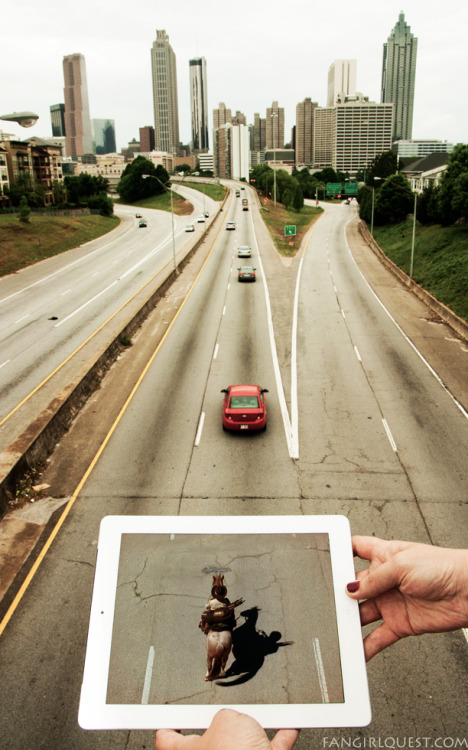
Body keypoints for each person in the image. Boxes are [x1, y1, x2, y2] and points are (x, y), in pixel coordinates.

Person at [155, 536, 468, 750]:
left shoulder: (219, 605)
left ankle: (215, 669)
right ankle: (220, 667)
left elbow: (258, 634)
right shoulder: (234, 612)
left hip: (223, 628)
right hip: (233, 627)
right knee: (239, 635)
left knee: (233, 636)